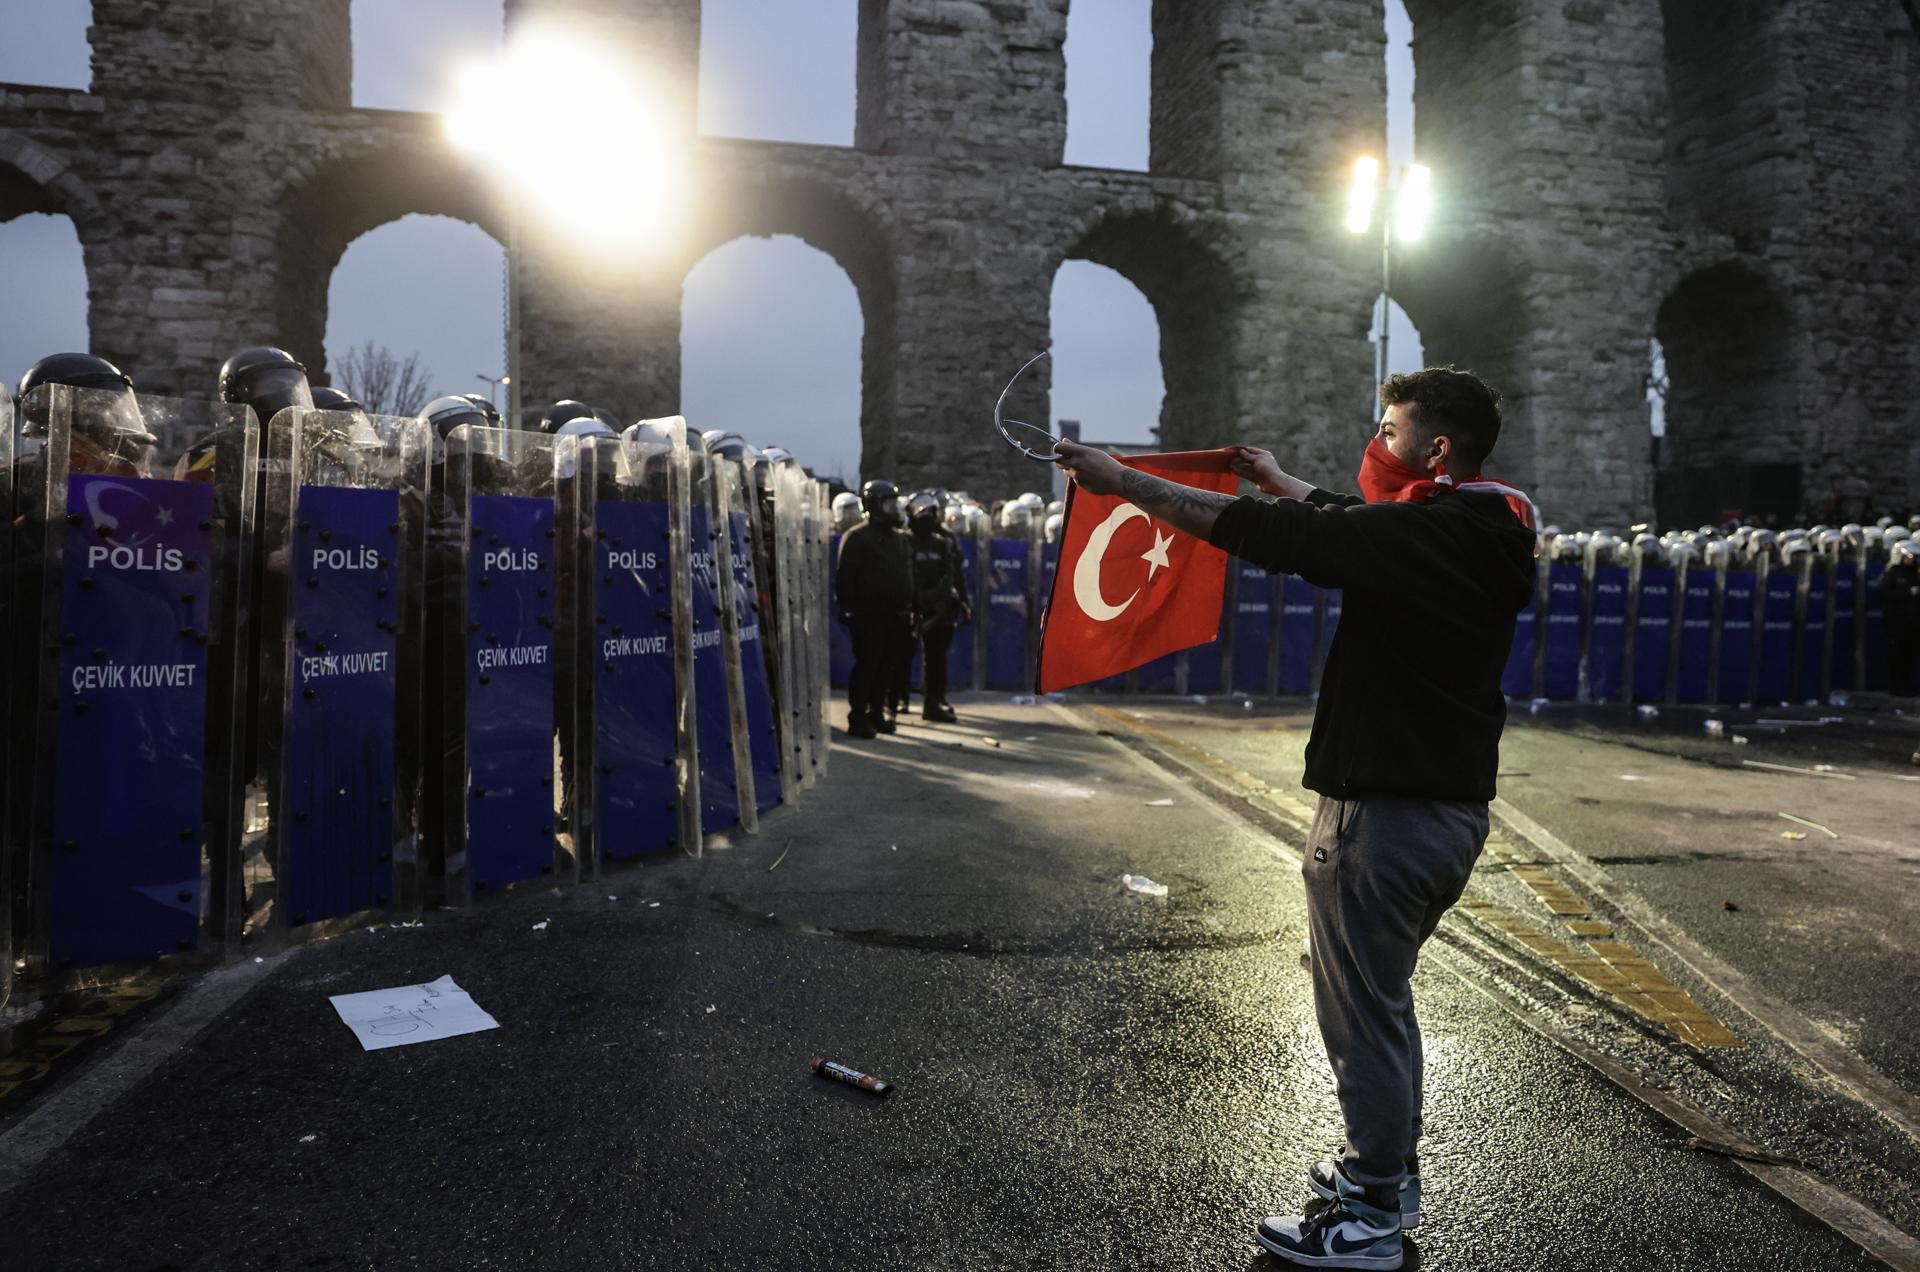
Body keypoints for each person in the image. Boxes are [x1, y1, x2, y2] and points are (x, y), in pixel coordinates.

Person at [1053, 367, 1536, 1271]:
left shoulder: (1423, 531)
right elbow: (1350, 528)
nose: (1377, 444)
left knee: (1363, 1019)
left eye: (1389, 430)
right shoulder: (1480, 529)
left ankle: (1370, 1218)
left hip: (1382, 818)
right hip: (1447, 812)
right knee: (1381, 1009)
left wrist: (1124, 482)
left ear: (1434, 449)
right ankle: (1382, 1179)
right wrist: (1285, 481)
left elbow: (1276, 540)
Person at [834, 479, 913, 739]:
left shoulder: (900, 538)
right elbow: (845, 577)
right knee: (868, 665)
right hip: (868, 616)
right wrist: (850, 610)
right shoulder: (857, 537)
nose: (893, 508)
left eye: (894, 502)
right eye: (887, 502)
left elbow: (907, 575)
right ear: (874, 505)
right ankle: (858, 717)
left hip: (896, 615)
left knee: (887, 667)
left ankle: (877, 713)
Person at [903, 490, 971, 722]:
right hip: (910, 603)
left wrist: (963, 601)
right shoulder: (904, 539)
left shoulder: (944, 541)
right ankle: (896, 699)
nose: (927, 516)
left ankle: (935, 700)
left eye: (931, 512)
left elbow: (954, 574)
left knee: (936, 658)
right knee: (900, 656)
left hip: (940, 606)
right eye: (922, 511)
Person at [1884, 538, 1919, 697]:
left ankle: (1908, 685)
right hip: (1897, 622)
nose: (1912, 560)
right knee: (1897, 654)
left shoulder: (1914, 574)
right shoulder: (1892, 574)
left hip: (1913, 622)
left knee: (1910, 655)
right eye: (1909, 557)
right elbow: (1885, 594)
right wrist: (1907, 593)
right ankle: (1896, 687)